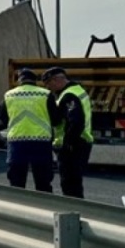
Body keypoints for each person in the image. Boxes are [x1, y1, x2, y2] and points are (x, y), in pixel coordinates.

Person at [1, 69, 57, 192]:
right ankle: (44, 203)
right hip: (41, 142)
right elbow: (55, 119)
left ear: (19, 81)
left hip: (17, 142)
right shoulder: (45, 94)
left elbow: (3, 118)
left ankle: (17, 203)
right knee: (43, 181)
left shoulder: (9, 95)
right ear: (35, 81)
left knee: (16, 181)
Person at [42, 67, 94, 199]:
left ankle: (73, 209)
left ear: (56, 80)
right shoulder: (78, 90)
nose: (48, 88)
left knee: (69, 184)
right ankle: (77, 207)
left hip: (73, 145)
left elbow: (76, 121)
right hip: (81, 142)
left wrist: (68, 143)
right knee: (74, 182)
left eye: (48, 83)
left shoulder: (69, 96)